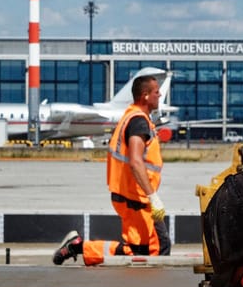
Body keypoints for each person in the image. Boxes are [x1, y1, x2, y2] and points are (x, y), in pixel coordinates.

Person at [52, 73, 171, 264]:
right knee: (155, 249)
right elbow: (135, 161)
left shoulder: (132, 117)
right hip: (136, 197)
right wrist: (153, 197)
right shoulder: (138, 122)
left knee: (142, 250)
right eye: (157, 92)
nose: (160, 96)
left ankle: (78, 246)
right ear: (145, 96)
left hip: (131, 195)